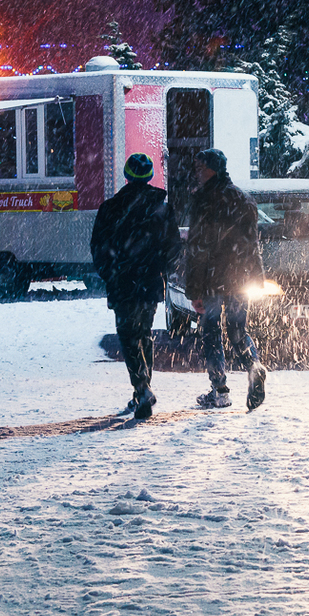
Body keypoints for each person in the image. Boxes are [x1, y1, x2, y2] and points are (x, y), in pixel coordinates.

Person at [90, 153, 182, 419]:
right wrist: (161, 269)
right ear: (150, 176)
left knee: (128, 336)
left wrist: (110, 273)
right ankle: (142, 390)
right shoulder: (162, 208)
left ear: (127, 176)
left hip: (122, 282)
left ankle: (142, 389)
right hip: (150, 281)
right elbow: (173, 247)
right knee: (143, 334)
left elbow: (99, 247)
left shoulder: (111, 208)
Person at [184, 148, 267, 411]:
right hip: (239, 278)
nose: (197, 173)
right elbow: (253, 243)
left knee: (211, 330)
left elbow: (197, 247)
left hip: (212, 278)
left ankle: (219, 389)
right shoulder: (244, 199)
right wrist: (256, 277)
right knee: (237, 328)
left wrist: (193, 288)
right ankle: (253, 365)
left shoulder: (203, 200)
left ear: (212, 169)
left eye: (200, 167)